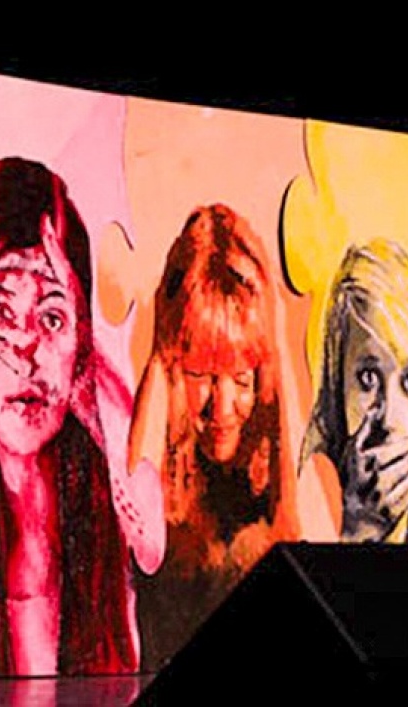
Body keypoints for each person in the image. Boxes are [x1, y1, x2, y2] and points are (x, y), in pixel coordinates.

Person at [0, 156, 160, 679]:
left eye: (51, 317)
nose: (26, 351)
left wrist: (85, 372)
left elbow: (154, 549)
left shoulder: (116, 522)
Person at [127, 203, 296, 672]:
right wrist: (159, 365)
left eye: (240, 378)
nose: (221, 410)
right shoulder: (154, 473)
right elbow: (130, 523)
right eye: (200, 374)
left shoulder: (272, 479)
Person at [299, 239, 408, 585]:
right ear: (337, 388)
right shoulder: (301, 510)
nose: (388, 418)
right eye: (367, 379)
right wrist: (357, 531)